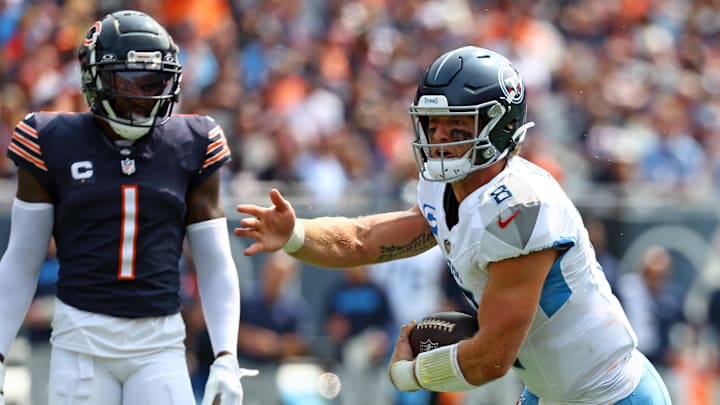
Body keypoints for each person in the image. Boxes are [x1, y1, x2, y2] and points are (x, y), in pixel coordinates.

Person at [234, 46, 672, 404]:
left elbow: (490, 360)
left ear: (501, 127)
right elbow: (364, 240)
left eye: (458, 125)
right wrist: (294, 235)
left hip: (609, 395)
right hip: (549, 393)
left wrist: (410, 374)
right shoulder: (446, 188)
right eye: (434, 123)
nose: (441, 138)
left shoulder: (519, 206)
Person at [0, 10, 256, 405]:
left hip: (161, 343)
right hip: (80, 341)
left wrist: (226, 355)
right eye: (128, 82)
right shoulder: (50, 139)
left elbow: (215, 261)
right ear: (92, 79)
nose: (143, 96)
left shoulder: (193, 141)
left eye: (153, 82)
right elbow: (21, 259)